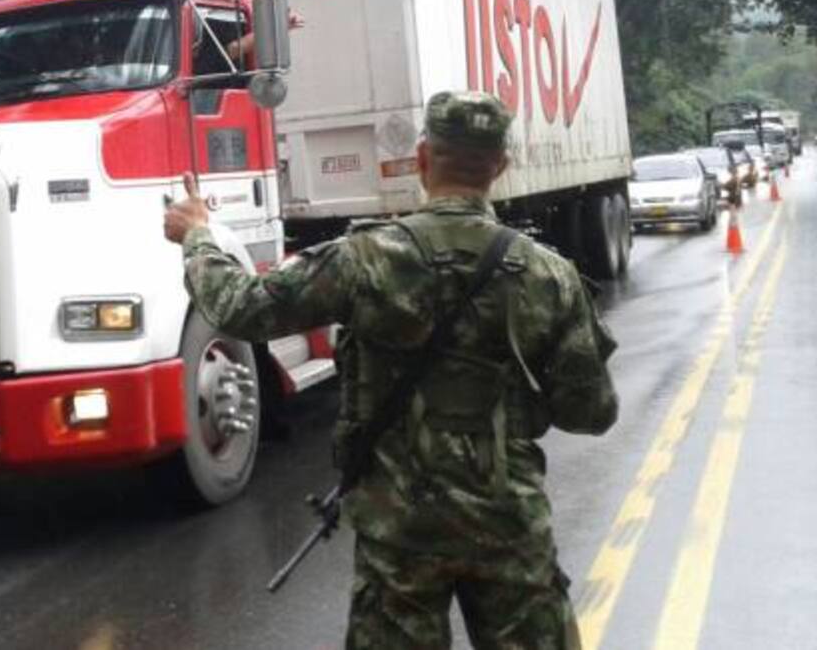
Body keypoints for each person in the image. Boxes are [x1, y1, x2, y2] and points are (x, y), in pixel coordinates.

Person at [163, 90, 618, 649]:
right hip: (510, 522)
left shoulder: (365, 258)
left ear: (423, 158)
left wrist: (198, 236)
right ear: (501, 166)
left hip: (399, 529)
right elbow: (592, 412)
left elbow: (243, 307)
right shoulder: (549, 275)